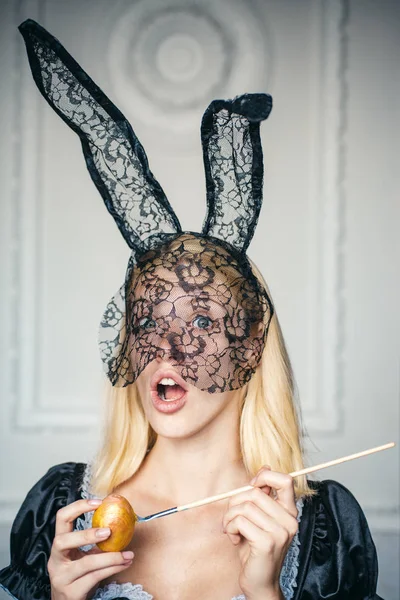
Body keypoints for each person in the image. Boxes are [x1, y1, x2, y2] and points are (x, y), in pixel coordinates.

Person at [0, 19, 382, 600]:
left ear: (251, 344)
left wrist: (265, 593)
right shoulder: (67, 512)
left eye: (201, 321)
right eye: (149, 322)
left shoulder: (320, 529)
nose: (167, 350)